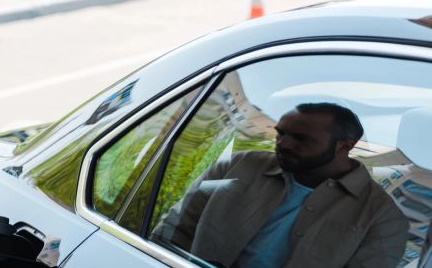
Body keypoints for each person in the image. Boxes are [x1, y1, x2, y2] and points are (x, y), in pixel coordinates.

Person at [152, 103, 408, 268]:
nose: (283, 144)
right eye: (280, 133)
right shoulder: (238, 167)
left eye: (300, 138)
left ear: (345, 146)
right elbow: (172, 232)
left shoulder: (380, 217)